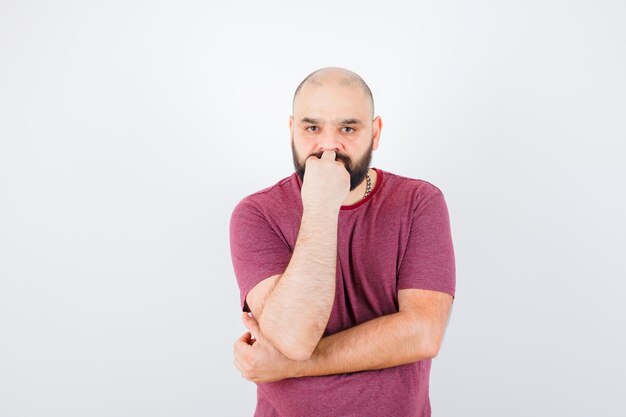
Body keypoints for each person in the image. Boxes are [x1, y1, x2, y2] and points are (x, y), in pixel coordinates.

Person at [229, 66, 456, 417]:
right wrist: (321, 207)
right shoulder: (256, 213)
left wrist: (291, 366)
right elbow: (292, 337)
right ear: (292, 131)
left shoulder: (419, 202)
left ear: (375, 133)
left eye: (348, 128)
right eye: (312, 128)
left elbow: (423, 334)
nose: (329, 145)